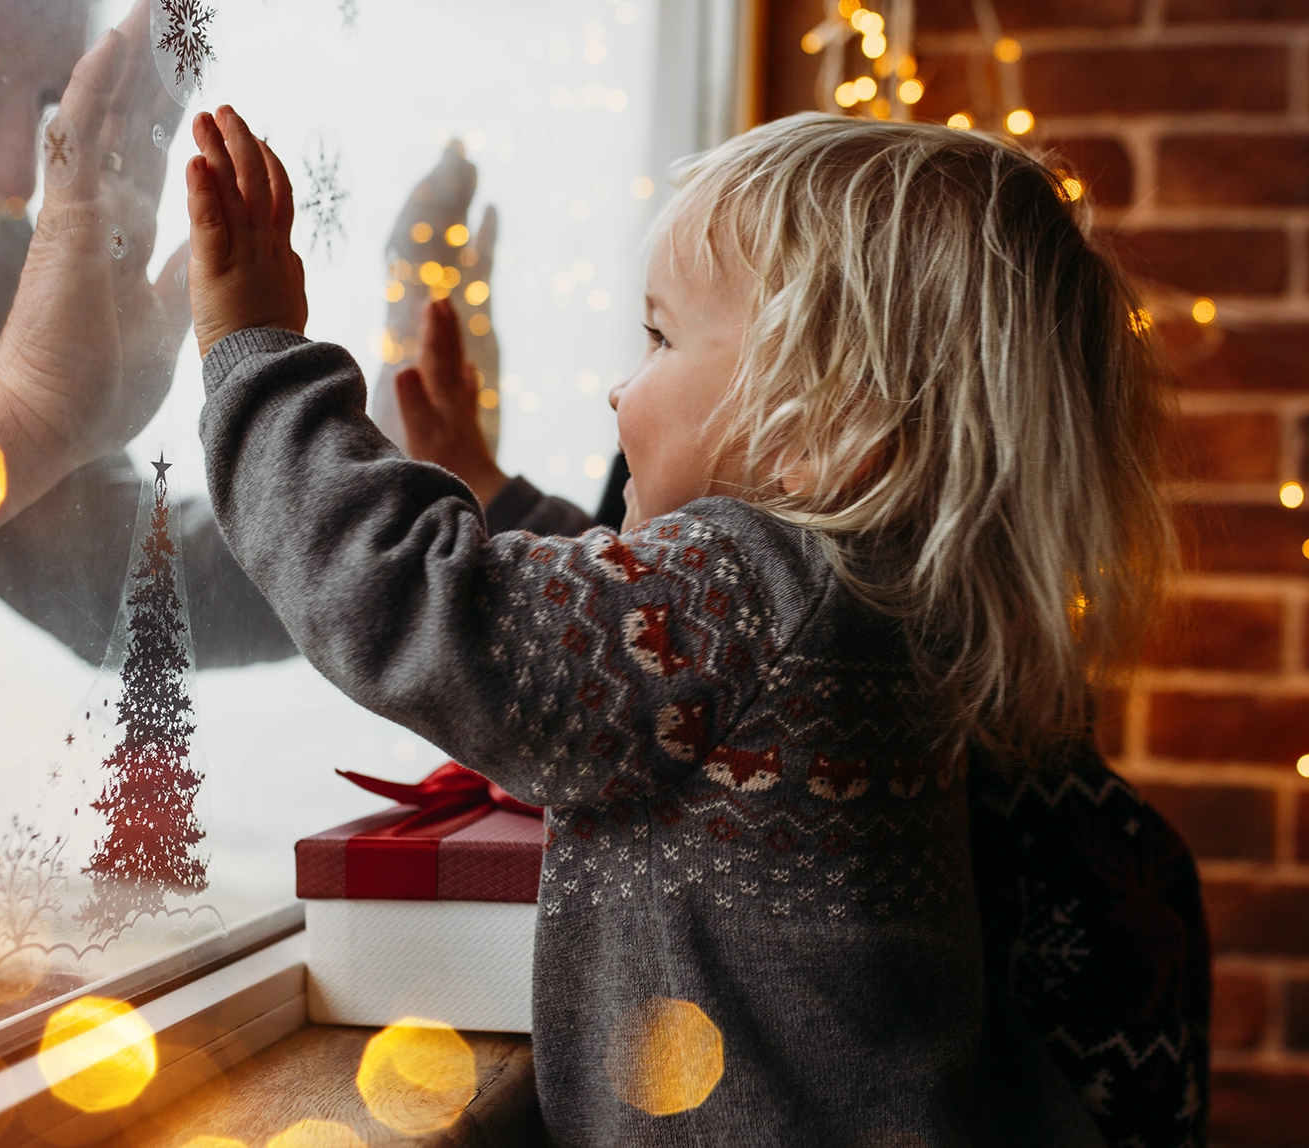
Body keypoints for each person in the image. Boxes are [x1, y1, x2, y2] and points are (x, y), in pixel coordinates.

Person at [183, 104, 1203, 1142]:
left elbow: (410, 602)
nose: (620, 388)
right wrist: (492, 489)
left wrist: (255, 354)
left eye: (659, 335)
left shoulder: (757, 592)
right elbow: (657, 638)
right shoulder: (888, 592)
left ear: (828, 426)